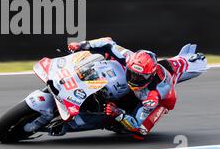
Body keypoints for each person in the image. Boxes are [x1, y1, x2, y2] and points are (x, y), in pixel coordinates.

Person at [68, 37, 207, 139]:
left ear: (149, 77)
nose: (134, 79)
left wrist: (118, 113)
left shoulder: (153, 94)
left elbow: (135, 123)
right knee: (107, 58)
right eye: (132, 74)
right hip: (157, 70)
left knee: (140, 131)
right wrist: (83, 45)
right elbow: (108, 42)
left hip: (163, 99)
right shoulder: (129, 57)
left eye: (139, 78)